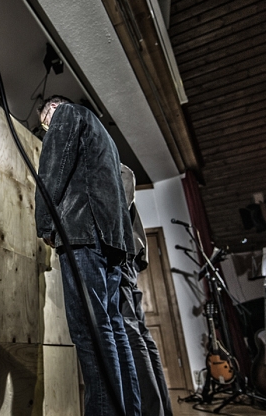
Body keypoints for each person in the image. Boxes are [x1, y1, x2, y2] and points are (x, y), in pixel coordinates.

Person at [34, 95, 141, 416]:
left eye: (45, 122)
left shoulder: (66, 113)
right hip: (111, 240)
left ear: (53, 108)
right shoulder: (105, 137)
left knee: (89, 331)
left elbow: (53, 169)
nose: (47, 129)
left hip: (82, 232)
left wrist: (44, 224)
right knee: (112, 328)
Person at [119, 164, 174, 416]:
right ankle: (161, 410)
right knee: (139, 333)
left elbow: (126, 174)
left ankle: (152, 412)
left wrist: (109, 228)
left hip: (121, 254)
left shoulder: (108, 159)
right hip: (129, 255)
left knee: (130, 332)